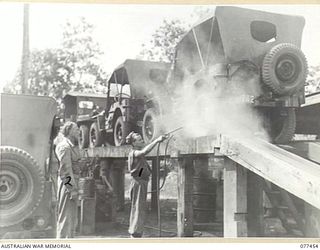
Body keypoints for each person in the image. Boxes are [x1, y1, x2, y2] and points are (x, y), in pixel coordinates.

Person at [125, 132, 167, 238]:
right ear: (133, 143)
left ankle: (137, 231)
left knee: (140, 207)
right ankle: (135, 232)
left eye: (141, 139)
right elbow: (145, 151)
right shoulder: (134, 153)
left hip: (140, 182)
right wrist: (157, 141)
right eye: (139, 140)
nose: (142, 141)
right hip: (138, 183)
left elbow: (140, 170)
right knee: (138, 207)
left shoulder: (138, 155)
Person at [54, 121, 81, 238]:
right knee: (66, 217)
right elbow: (65, 171)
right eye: (76, 129)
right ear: (69, 131)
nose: (79, 131)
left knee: (71, 218)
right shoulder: (64, 147)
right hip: (67, 186)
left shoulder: (71, 145)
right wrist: (72, 189)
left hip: (72, 184)